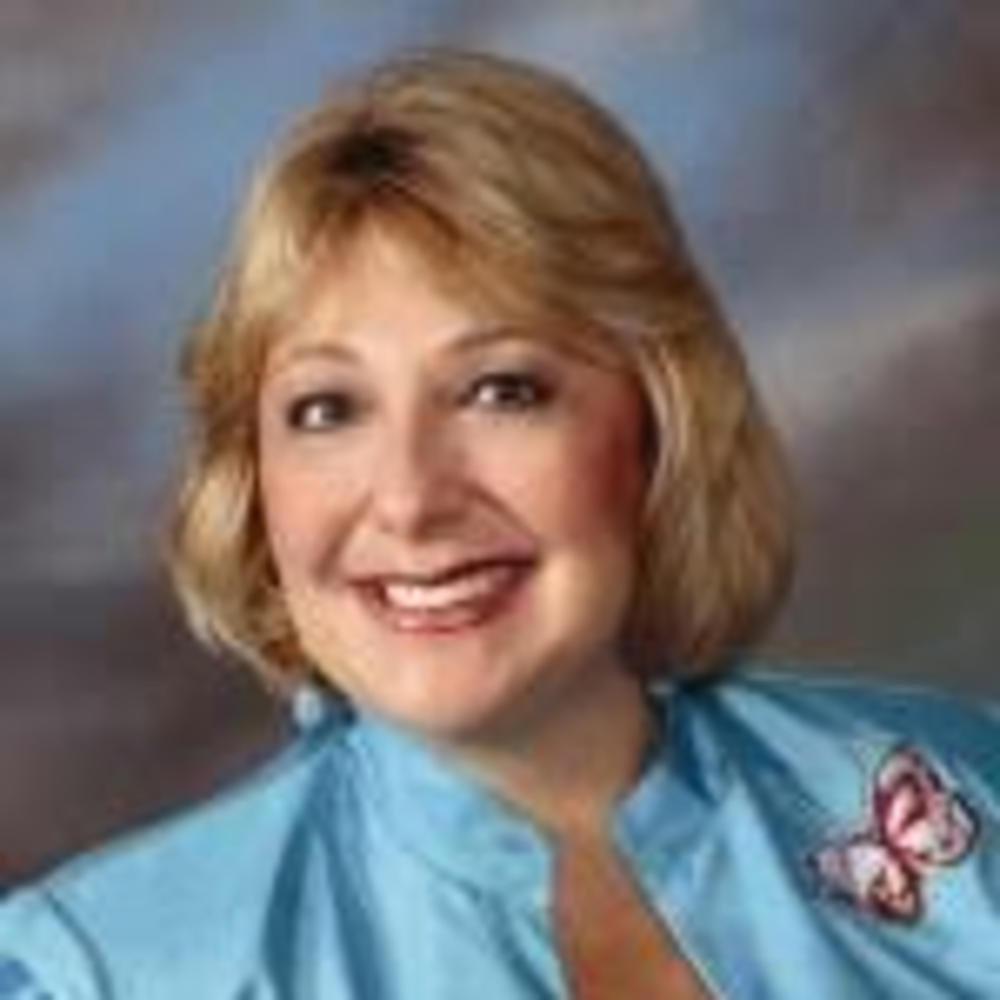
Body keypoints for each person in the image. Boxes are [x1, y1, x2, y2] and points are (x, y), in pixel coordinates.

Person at [1, 47, 997, 999]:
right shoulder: (109, 972)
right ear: (253, 479)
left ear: (657, 420)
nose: (409, 499)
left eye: (501, 390)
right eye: (328, 408)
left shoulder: (966, 798)